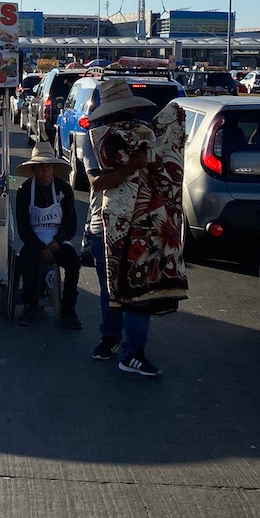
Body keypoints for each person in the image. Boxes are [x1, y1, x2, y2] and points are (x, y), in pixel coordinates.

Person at [84, 78, 188, 378]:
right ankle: (111, 339)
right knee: (112, 290)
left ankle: (132, 352)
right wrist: (133, 166)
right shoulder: (93, 141)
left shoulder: (144, 136)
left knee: (137, 289)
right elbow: (97, 183)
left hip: (143, 225)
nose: (127, 121)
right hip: (106, 225)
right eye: (123, 115)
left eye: (129, 115)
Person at [13, 147, 82, 328]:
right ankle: (30, 305)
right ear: (34, 169)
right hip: (35, 242)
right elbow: (24, 227)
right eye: (41, 167)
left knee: (74, 262)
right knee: (27, 261)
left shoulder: (64, 189)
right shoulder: (24, 191)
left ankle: (69, 310)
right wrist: (40, 247)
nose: (46, 171)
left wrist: (57, 242)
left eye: (49, 167)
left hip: (57, 241)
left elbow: (70, 224)